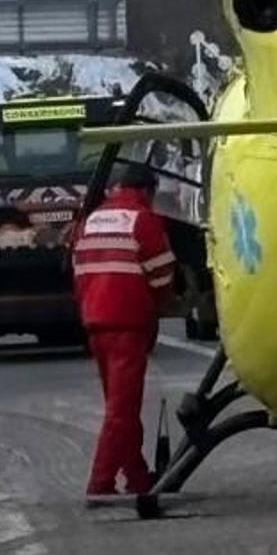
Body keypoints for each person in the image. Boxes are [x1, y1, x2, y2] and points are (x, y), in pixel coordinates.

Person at [72, 163, 176, 499]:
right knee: (121, 410)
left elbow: (79, 274)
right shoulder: (142, 219)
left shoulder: (91, 220)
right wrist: (155, 305)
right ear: (146, 190)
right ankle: (100, 483)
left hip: (95, 322)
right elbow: (162, 275)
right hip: (128, 323)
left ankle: (138, 477)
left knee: (121, 407)